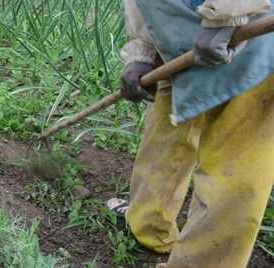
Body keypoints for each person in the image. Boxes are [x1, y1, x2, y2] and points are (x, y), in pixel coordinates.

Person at [106, 0, 274, 267]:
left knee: (234, 166)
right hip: (181, 28)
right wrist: (142, 51)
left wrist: (229, 12)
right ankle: (149, 226)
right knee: (167, 125)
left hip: (251, 30)